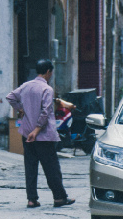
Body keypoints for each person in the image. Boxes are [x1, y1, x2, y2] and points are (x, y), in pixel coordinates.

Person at [6, 59, 76, 208]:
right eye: (51, 73)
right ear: (48, 72)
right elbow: (45, 112)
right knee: (51, 167)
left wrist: (20, 109)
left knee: (30, 167)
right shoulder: (47, 89)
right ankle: (59, 197)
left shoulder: (26, 86)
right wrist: (37, 130)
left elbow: (10, 97)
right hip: (43, 135)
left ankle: (32, 199)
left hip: (26, 133)